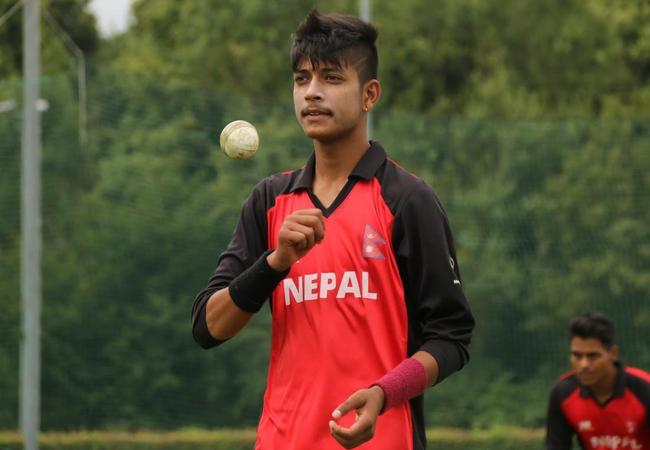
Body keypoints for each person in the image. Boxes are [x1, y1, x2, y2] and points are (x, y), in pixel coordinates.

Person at [191, 9, 474, 450]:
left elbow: (452, 338)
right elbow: (208, 327)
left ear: (369, 94)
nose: (312, 93)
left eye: (331, 78)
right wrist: (275, 262)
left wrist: (384, 393)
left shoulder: (407, 199)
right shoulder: (269, 201)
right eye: (301, 79)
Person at [546, 312, 650, 450]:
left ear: (612, 353)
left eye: (592, 356)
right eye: (577, 355)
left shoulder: (644, 390)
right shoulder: (563, 393)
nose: (584, 365)